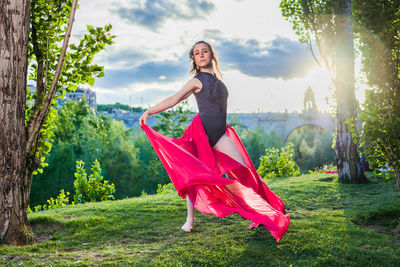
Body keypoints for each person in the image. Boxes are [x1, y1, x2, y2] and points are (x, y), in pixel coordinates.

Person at [139, 41, 290, 241]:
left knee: (245, 171)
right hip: (200, 134)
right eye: (196, 53)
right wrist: (149, 111)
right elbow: (174, 99)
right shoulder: (196, 81)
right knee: (195, 175)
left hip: (219, 135)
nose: (201, 55)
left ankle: (261, 213)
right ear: (194, 58)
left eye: (205, 51)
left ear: (211, 54)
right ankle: (190, 220)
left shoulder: (219, 81)